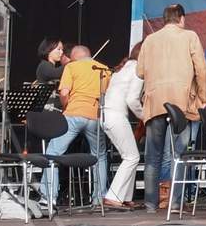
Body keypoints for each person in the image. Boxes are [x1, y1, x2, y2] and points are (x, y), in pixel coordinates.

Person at [135, 4, 206, 212]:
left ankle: (150, 205)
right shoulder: (189, 36)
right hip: (182, 103)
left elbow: (140, 71)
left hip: (154, 102)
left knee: (152, 157)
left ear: (164, 19)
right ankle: (175, 203)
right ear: (182, 19)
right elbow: (202, 70)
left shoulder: (150, 40)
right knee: (179, 155)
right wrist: (204, 97)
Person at [47, 45, 109, 208]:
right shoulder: (104, 69)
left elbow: (64, 93)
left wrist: (66, 107)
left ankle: (48, 197)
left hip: (73, 114)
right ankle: (99, 198)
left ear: (75, 57)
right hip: (95, 116)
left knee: (53, 154)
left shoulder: (72, 67)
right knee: (99, 156)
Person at [100, 45, 144, 208]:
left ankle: (125, 197)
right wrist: (145, 116)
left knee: (131, 156)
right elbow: (132, 100)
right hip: (116, 115)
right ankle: (114, 196)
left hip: (107, 115)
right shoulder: (137, 70)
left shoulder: (125, 67)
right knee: (132, 157)